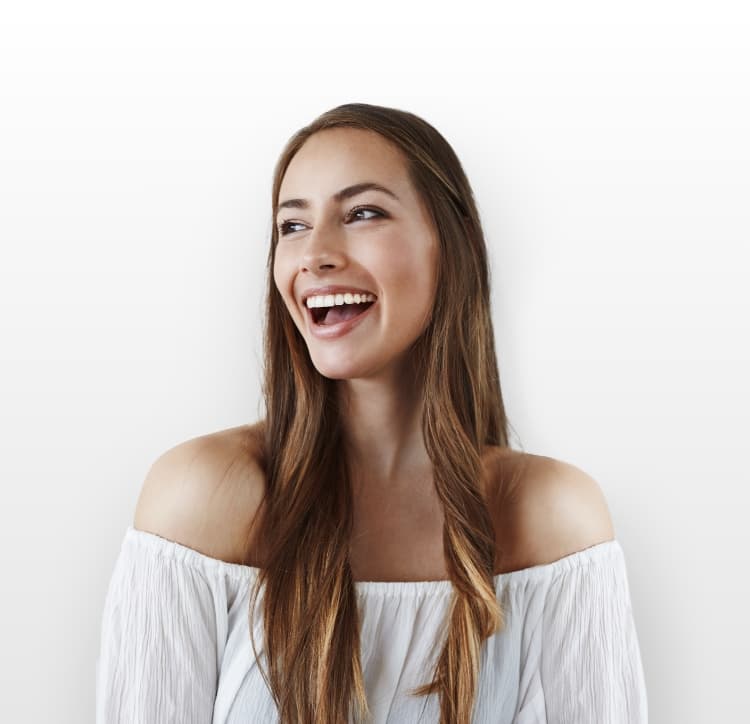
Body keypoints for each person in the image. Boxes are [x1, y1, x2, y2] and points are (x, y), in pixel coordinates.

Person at [95, 102, 648, 723]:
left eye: (363, 214)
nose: (316, 255)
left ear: (452, 245)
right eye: (292, 226)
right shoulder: (203, 496)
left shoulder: (550, 515)